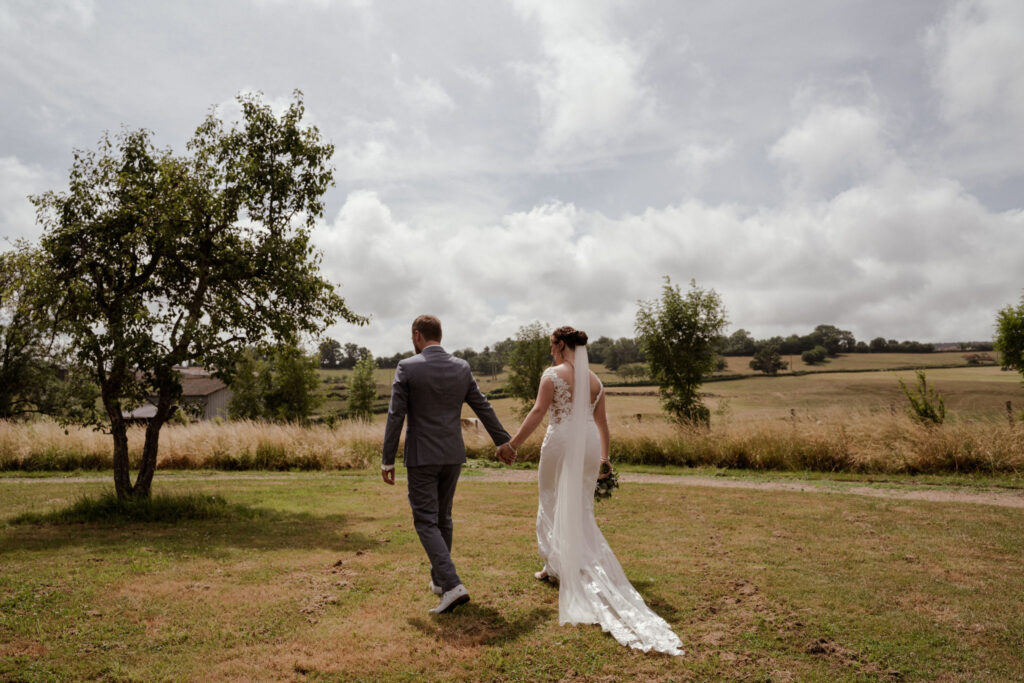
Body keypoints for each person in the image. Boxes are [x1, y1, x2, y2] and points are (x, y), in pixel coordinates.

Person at [504, 326, 684, 656]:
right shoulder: (596, 381)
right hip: (587, 444)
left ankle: (554, 565)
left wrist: (513, 444)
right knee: (581, 506)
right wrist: (605, 457)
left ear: (560, 345)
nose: (550, 351)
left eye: (551, 346)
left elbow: (538, 412)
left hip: (559, 442)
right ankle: (563, 560)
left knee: (550, 499)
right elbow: (602, 423)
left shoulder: (552, 375)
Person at [381, 314, 516, 614]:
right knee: (444, 518)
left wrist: (387, 459)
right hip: (453, 454)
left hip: (421, 457)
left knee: (426, 521)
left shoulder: (407, 367)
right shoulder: (461, 367)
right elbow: (482, 405)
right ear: (438, 335)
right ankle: (441, 582)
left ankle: (453, 585)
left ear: (417, 335)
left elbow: (395, 415)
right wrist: (502, 441)